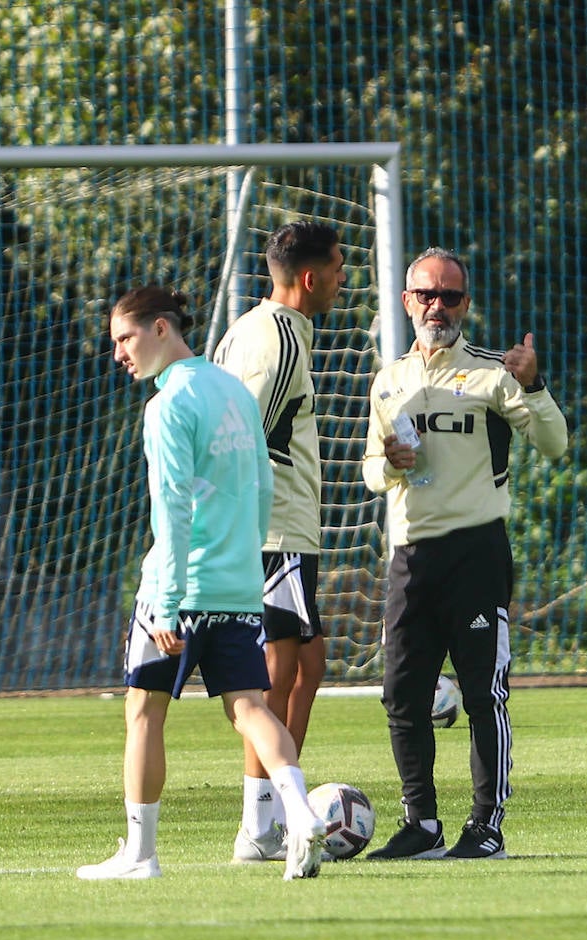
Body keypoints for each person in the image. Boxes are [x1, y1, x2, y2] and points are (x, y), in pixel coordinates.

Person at [77, 283, 325, 881]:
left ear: (161, 328)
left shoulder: (167, 406)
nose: (119, 354)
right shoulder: (234, 391)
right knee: (249, 706)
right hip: (240, 585)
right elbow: (265, 488)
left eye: (124, 338)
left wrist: (166, 605)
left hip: (179, 589)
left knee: (144, 712)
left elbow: (172, 510)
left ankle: (140, 856)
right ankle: (299, 812)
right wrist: (243, 569)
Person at [361, 247, 568, 860]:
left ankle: (487, 828)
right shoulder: (389, 379)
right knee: (402, 692)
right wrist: (388, 465)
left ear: (466, 304)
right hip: (409, 556)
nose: (437, 306)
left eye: (450, 296)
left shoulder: (493, 373)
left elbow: (554, 444)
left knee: (482, 693)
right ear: (407, 301)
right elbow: (372, 470)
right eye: (427, 294)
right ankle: (421, 824)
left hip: (476, 553)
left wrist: (534, 383)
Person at [213, 221, 345, 863]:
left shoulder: (260, 327)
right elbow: (239, 439)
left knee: (308, 666)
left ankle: (269, 819)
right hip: (273, 528)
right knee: (276, 672)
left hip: (287, 528)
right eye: (341, 269)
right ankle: (261, 828)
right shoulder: (278, 341)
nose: (345, 281)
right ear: (311, 277)